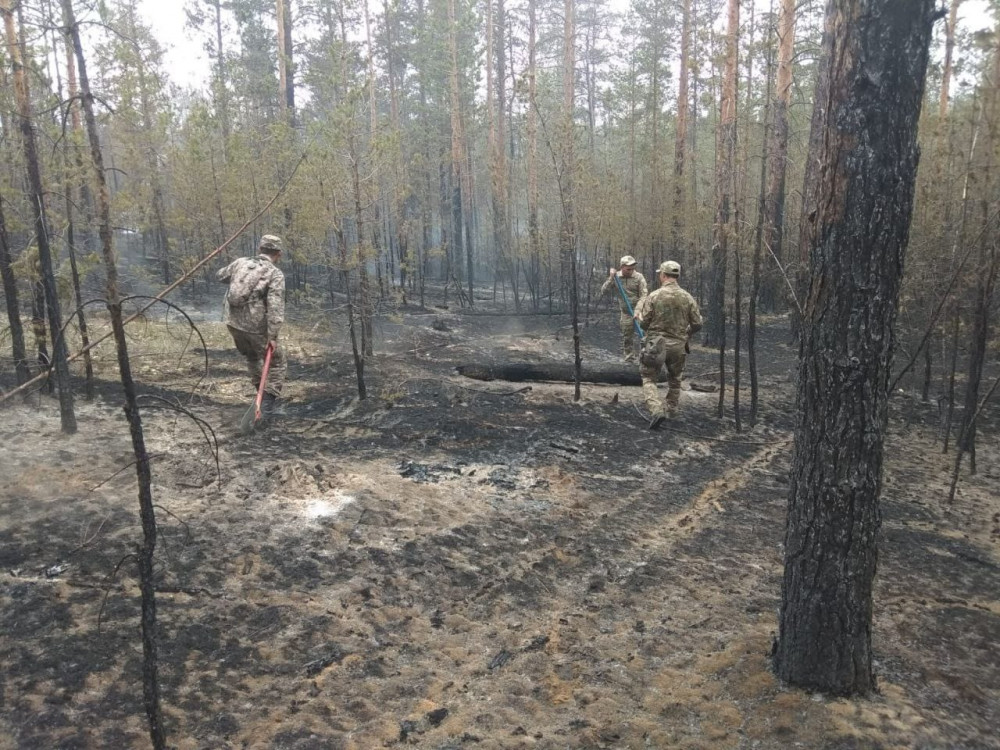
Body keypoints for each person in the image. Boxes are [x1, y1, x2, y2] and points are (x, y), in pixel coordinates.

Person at [217, 235, 287, 414]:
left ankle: (260, 395)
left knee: (252, 357)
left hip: (232, 322)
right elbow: (275, 306)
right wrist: (273, 336)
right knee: (277, 362)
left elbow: (221, 276)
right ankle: (266, 405)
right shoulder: (274, 273)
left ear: (259, 249)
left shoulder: (240, 262)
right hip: (255, 327)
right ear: (278, 254)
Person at [635, 260, 702, 430]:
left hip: (656, 345)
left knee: (649, 377)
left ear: (663, 275)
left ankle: (656, 410)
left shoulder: (654, 296)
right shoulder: (688, 297)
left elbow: (644, 324)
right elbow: (697, 323)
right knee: (675, 378)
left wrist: (639, 319)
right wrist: (687, 333)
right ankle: (671, 409)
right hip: (679, 345)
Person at [600, 255, 648, 362]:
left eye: (632, 268)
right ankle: (629, 358)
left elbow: (644, 296)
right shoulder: (616, 277)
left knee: (644, 335)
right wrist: (611, 278)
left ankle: (645, 358)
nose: (631, 271)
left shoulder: (639, 277)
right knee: (627, 336)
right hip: (626, 312)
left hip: (640, 311)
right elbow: (604, 291)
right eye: (628, 269)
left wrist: (637, 311)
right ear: (622, 267)